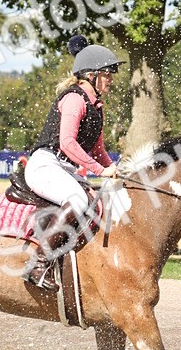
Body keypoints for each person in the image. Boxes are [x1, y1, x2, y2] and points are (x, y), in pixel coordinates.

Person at [22, 37, 122, 289]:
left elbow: (97, 149)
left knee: (98, 201)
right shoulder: (74, 99)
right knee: (78, 200)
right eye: (107, 73)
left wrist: (113, 170)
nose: (111, 78)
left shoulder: (97, 106)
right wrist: (100, 170)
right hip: (45, 164)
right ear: (90, 75)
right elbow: (67, 143)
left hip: (64, 169)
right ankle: (38, 263)